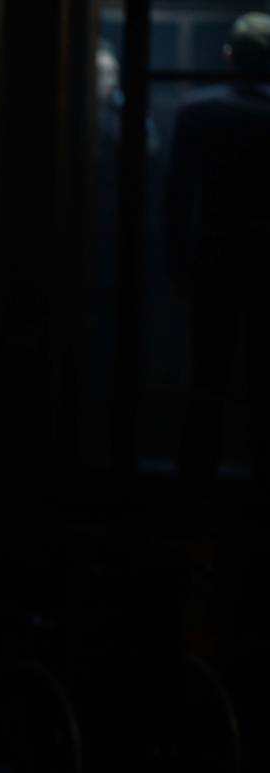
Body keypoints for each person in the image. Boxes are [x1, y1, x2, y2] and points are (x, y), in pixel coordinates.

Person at [167, 12, 270, 487]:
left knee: (207, 377)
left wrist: (176, 263)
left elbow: (177, 199)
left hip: (214, 260)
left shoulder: (198, 110)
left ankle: (195, 482)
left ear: (230, 57)